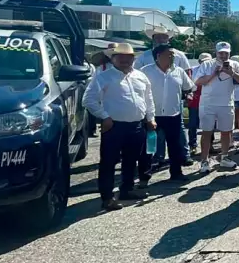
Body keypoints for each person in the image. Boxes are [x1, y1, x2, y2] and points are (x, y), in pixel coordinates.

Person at [83, 43, 157, 211]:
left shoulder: (140, 76)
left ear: (133, 58)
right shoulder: (104, 77)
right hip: (114, 126)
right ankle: (107, 198)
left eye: (129, 57)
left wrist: (150, 118)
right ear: (113, 58)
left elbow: (148, 98)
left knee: (131, 161)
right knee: (108, 163)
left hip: (137, 125)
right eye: (120, 57)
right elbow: (88, 100)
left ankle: (126, 190)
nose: (125, 60)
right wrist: (104, 117)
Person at [141, 44, 195, 183]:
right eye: (169, 54)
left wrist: (188, 95)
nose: (172, 56)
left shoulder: (179, 71)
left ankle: (176, 172)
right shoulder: (145, 72)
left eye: (173, 54)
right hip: (152, 116)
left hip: (173, 115)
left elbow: (189, 87)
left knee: (175, 145)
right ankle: (144, 176)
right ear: (158, 56)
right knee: (149, 147)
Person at [192, 42, 239, 173]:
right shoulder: (207, 64)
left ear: (229, 53)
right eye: (220, 53)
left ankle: (224, 157)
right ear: (216, 53)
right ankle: (204, 160)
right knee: (206, 132)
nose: (223, 56)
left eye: (226, 53)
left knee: (226, 131)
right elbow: (198, 81)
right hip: (208, 103)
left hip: (227, 103)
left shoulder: (235, 64)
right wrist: (214, 74)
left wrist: (232, 73)